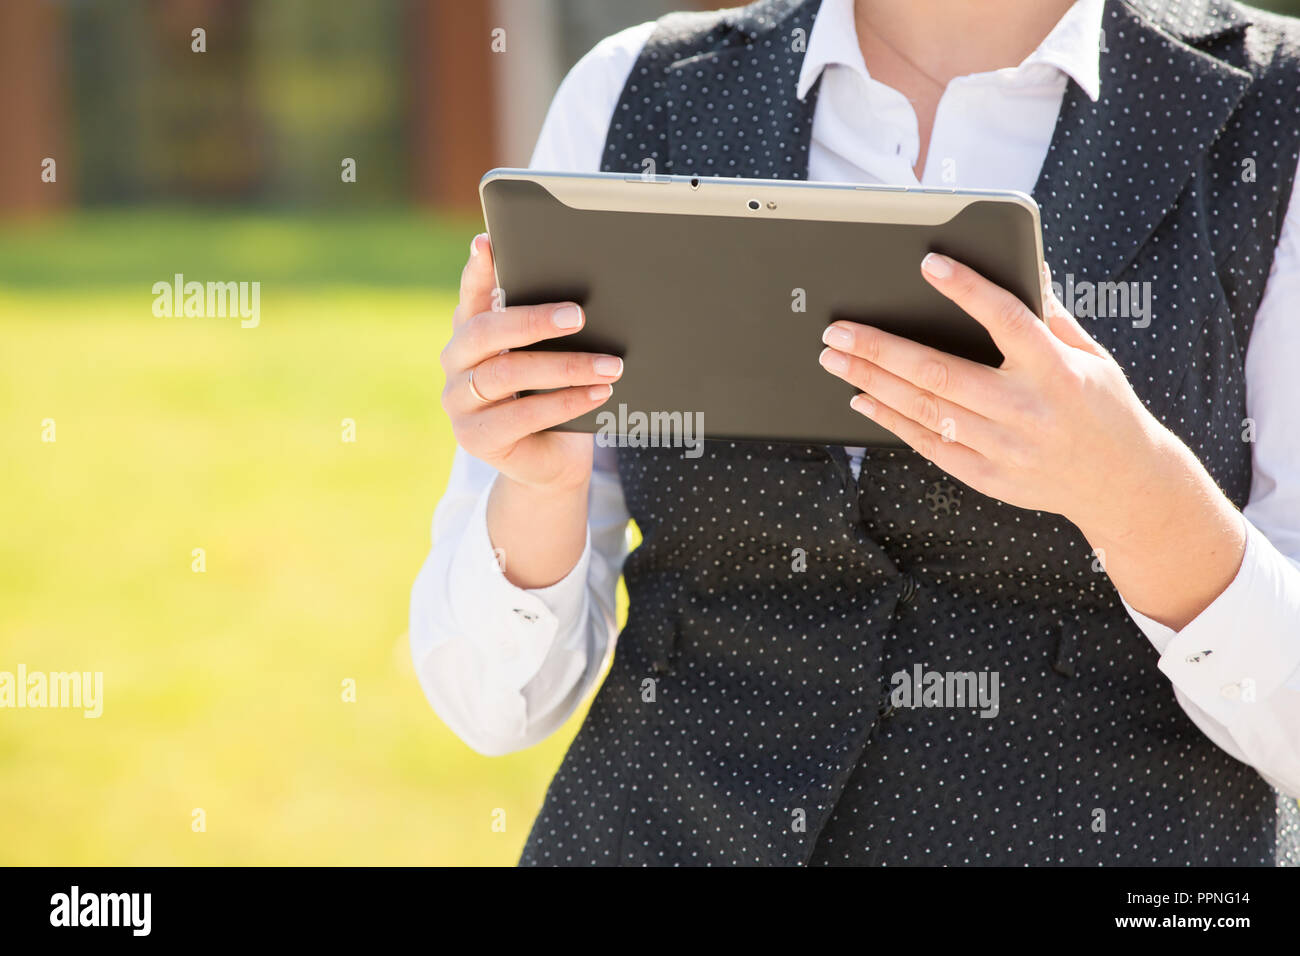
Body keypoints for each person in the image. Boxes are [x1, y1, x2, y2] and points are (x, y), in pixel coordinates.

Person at [411, 0, 1300, 865]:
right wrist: (540, 484)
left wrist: (1131, 490)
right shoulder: (634, 89)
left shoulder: (1275, 110)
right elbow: (495, 706)